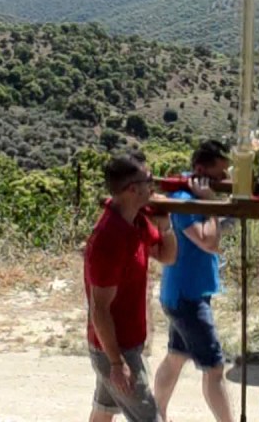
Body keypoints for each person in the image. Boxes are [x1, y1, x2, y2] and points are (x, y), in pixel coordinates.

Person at [84, 154, 177, 422]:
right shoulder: (109, 238)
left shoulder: (136, 220)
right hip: (115, 348)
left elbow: (167, 256)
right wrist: (116, 363)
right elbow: (99, 309)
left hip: (127, 343)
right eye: (149, 180)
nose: (153, 186)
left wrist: (166, 225)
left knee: (103, 413)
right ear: (132, 189)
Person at [152, 141, 233, 422]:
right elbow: (208, 241)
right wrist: (210, 203)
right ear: (200, 170)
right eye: (219, 173)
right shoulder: (183, 199)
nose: (223, 178)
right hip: (187, 295)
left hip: (187, 291)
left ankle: (157, 415)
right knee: (214, 368)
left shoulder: (192, 194)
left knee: (176, 356)